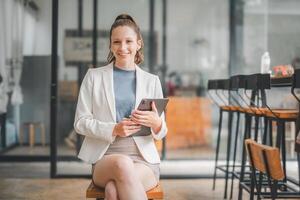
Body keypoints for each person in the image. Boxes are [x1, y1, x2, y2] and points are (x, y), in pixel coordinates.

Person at [74, 14, 167, 200]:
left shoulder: (152, 81)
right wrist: (114, 128)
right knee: (123, 164)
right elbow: (80, 123)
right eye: (116, 42)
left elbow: (161, 131)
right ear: (110, 45)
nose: (122, 47)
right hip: (105, 157)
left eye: (128, 41)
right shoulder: (94, 77)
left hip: (144, 160)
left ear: (138, 44)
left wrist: (156, 123)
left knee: (112, 191)